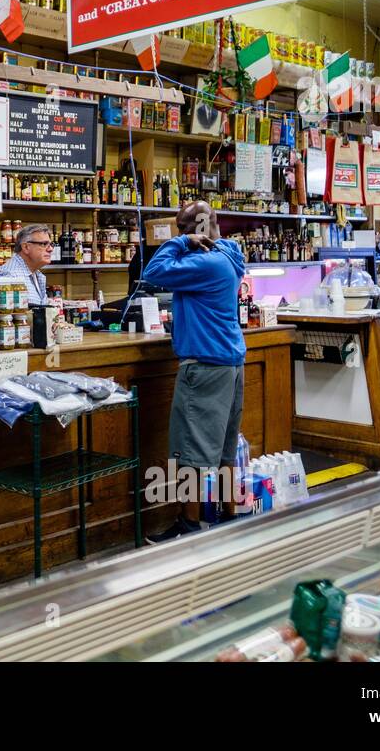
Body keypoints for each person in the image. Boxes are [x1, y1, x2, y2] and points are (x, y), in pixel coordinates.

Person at [140, 200, 247, 542]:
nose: (181, 236)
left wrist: (182, 242)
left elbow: (152, 272)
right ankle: (229, 518)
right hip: (230, 362)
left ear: (198, 229)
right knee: (225, 451)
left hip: (204, 366)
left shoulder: (205, 261)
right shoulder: (229, 254)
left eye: (184, 229)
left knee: (192, 454)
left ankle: (188, 528)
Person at [0, 222, 52, 304]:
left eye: (50, 244)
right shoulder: (9, 276)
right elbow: (2, 314)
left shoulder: (36, 274)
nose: (50, 249)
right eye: (44, 244)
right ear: (26, 247)